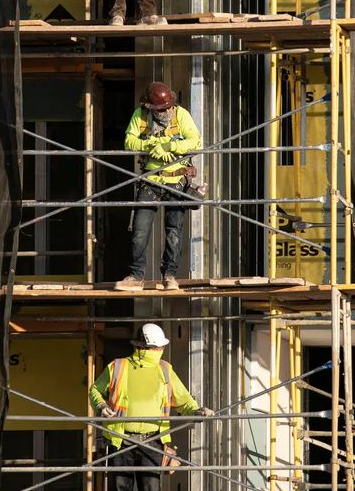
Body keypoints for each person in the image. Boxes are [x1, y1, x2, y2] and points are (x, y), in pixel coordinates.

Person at [89, 323, 214, 491]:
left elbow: (183, 400)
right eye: (159, 347)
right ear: (151, 347)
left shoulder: (164, 369)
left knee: (142, 487)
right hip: (121, 440)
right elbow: (96, 390)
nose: (161, 350)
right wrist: (101, 405)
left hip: (152, 441)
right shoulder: (119, 366)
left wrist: (196, 410)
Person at [114, 82, 202, 292]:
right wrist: (152, 146)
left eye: (168, 107)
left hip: (176, 181)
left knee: (174, 233)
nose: (165, 111)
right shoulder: (140, 115)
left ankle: (169, 275)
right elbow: (129, 142)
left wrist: (169, 145)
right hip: (150, 182)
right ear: (150, 107)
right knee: (140, 232)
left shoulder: (181, 115)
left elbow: (196, 142)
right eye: (161, 108)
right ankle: (136, 276)